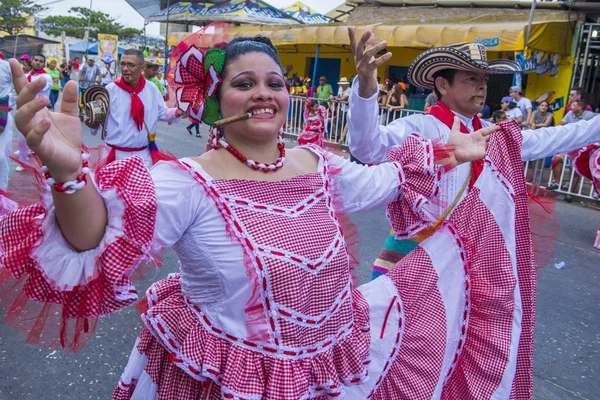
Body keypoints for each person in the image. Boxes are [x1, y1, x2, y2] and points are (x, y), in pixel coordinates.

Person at [3, 34, 512, 399]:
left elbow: (388, 178)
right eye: (244, 83)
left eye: (273, 81)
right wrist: (68, 174)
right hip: (225, 380)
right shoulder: (188, 181)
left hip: (323, 374)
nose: (264, 93)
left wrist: (452, 151)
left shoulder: (316, 164)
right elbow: (91, 239)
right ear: (215, 100)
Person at [347, 30, 600, 397]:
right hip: (411, 261)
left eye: (484, 79)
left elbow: (554, 138)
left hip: (468, 272)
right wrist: (366, 86)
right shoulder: (418, 127)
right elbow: (367, 147)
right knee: (399, 361)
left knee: (456, 359)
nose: (482, 87)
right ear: (441, 85)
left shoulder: (496, 136)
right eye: (470, 78)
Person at [87, 49, 184, 167]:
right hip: (114, 156)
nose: (125, 68)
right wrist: (92, 122)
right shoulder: (109, 90)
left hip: (143, 157)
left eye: (131, 65)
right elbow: (96, 123)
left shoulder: (151, 89)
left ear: (142, 68)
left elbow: (161, 112)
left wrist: (178, 112)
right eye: (122, 64)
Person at [547, 100, 596, 193]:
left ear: (580, 107)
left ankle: (570, 190)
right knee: (555, 160)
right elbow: (561, 124)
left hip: (580, 147)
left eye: (574, 105)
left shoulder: (589, 115)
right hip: (568, 145)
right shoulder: (570, 114)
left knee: (575, 168)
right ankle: (557, 183)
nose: (571, 107)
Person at [15, 54, 51, 172]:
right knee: (21, 139)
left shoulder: (46, 77)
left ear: (44, 64)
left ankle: (45, 164)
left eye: (41, 61)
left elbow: (36, 89)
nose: (38, 62)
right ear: (32, 61)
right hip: (25, 111)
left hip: (40, 112)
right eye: (36, 60)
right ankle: (22, 161)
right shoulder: (26, 75)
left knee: (41, 139)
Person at [0, 59, 15, 189]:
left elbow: (16, 87)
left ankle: (2, 194)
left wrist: (9, 105)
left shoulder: (7, 66)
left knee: (1, 157)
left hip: (2, 113)